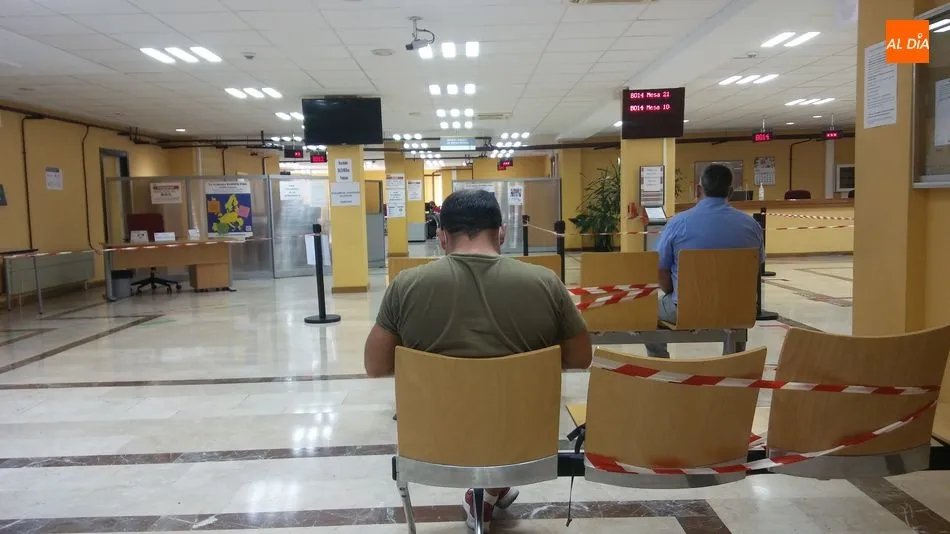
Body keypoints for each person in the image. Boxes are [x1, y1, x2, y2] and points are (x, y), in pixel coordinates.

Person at [364, 189, 592, 531]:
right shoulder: (545, 283)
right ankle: (492, 488)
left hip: (436, 443)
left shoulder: (406, 286)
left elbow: (375, 365)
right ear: (502, 232)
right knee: (505, 414)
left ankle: (488, 491)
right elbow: (581, 357)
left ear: (442, 236)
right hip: (522, 442)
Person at [647, 163, 764, 358]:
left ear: (698, 189)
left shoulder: (678, 223)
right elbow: (754, 270)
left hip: (686, 309)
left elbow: (659, 269)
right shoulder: (751, 226)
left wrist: (672, 292)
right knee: (736, 306)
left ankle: (660, 364)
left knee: (649, 311)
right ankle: (733, 363)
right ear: (730, 192)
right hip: (736, 310)